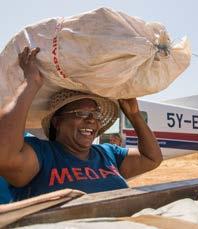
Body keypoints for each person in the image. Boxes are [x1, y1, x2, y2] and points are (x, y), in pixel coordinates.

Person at [0, 47, 163, 201]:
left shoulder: (108, 154)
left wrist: (135, 116)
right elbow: (4, 156)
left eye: (95, 115)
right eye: (81, 113)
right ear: (57, 122)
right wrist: (31, 82)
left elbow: (152, 158)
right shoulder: (42, 154)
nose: (91, 120)